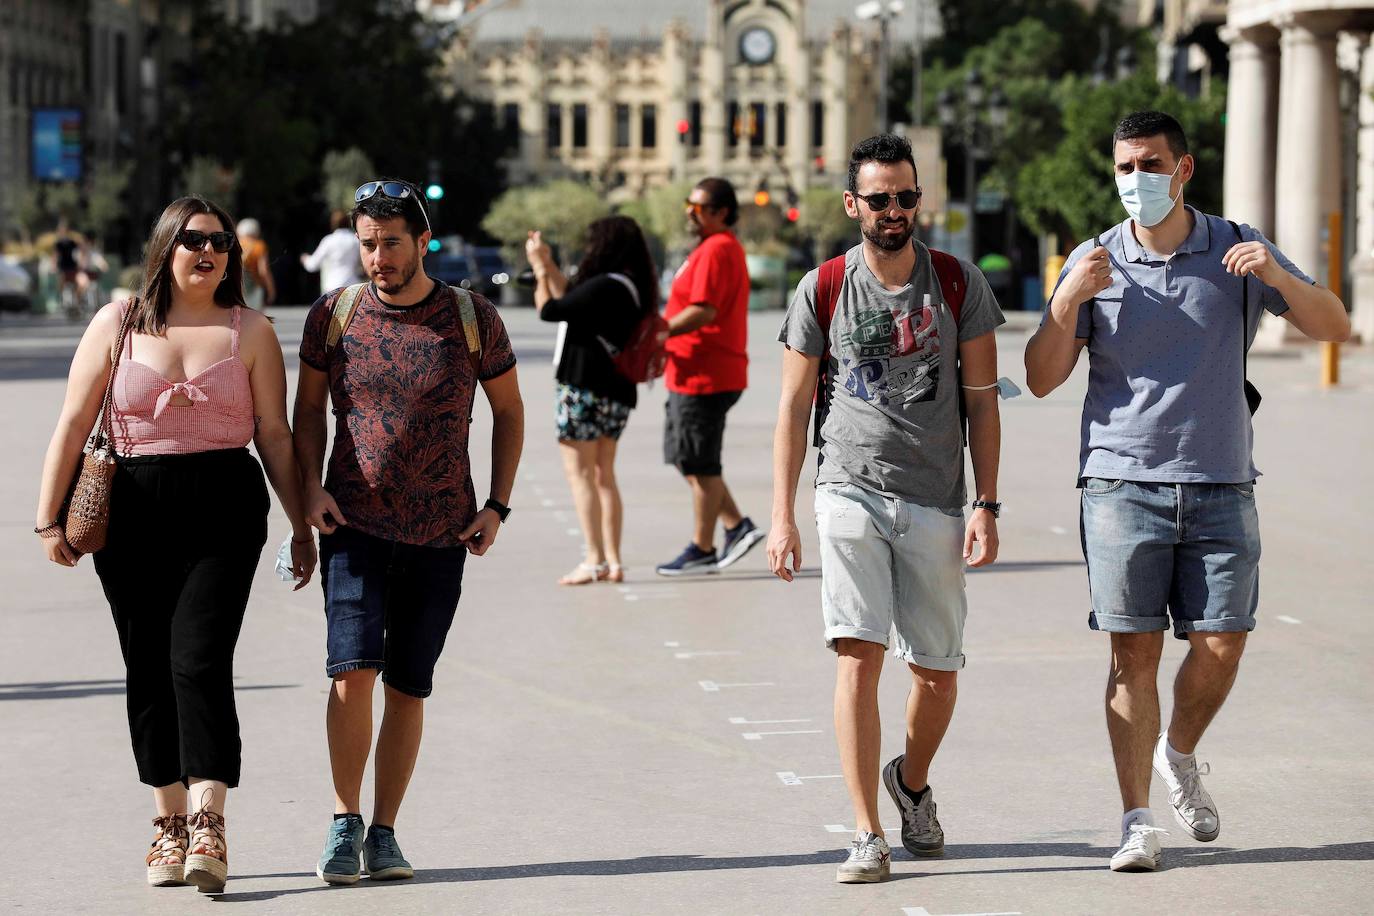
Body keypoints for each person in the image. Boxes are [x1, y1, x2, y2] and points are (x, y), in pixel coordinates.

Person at [1024, 111, 1350, 873]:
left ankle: (1181, 749)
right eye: (1123, 167)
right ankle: (1137, 821)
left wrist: (1275, 274)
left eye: (1149, 164)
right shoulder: (1093, 258)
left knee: (1224, 643)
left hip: (1221, 481)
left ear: (1184, 169)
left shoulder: (1235, 246)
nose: (1135, 179)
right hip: (1119, 484)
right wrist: (1068, 297)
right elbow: (1040, 378)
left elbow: (1333, 326)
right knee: (1131, 656)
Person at [34, 196, 317, 894]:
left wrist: (302, 522)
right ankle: (167, 821)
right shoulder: (118, 321)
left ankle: (209, 820)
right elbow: (73, 422)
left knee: (199, 657)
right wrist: (49, 520)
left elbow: (275, 436)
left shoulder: (248, 331)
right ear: (166, 246)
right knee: (147, 665)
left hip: (224, 503)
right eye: (194, 240)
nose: (209, 252)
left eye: (220, 241)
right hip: (129, 506)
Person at [768, 134, 1005, 884]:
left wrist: (986, 503)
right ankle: (867, 831)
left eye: (906, 197)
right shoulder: (825, 285)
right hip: (847, 487)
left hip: (935, 496)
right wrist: (782, 516)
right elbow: (794, 403)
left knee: (937, 673)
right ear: (854, 205)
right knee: (857, 656)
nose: (895, 210)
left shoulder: (957, 284)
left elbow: (982, 403)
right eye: (880, 199)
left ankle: (908, 781)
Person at [293, 178, 524, 885]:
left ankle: (386, 830)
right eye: (368, 244)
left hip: (440, 529)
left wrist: (497, 504)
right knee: (350, 673)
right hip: (354, 522)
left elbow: (510, 413)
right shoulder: (335, 315)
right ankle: (344, 819)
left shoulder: (471, 317)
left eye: (392, 243)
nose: (379, 257)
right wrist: (306, 490)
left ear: (424, 243)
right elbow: (306, 412)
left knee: (408, 686)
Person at [525, 216, 657, 584]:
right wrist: (548, 263)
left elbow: (550, 309)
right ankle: (612, 560)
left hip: (581, 388)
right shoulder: (630, 286)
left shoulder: (602, 286)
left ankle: (594, 559)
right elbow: (570, 295)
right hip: (617, 393)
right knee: (604, 475)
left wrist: (538, 269)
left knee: (580, 474)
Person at [656, 176, 764, 576]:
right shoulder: (708, 248)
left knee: (701, 464)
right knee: (689, 460)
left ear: (720, 212)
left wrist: (658, 332)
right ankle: (737, 526)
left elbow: (704, 310)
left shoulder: (718, 248)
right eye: (689, 204)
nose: (690, 211)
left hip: (707, 374)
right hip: (691, 373)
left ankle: (703, 548)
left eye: (698, 206)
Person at [301, 209, 365, 295]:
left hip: (332, 288)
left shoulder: (328, 241)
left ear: (333, 224)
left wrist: (305, 258)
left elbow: (312, 265)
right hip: (353, 286)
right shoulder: (355, 240)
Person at [236, 218, 276, 311]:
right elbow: (263, 270)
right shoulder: (259, 246)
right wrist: (271, 289)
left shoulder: (235, 244)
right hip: (255, 286)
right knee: (254, 318)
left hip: (237, 286)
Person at [53, 219, 86, 317]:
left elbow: (82, 250)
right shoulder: (58, 243)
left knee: (80, 283)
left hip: (73, 268)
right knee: (61, 282)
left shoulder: (72, 242)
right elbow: (55, 255)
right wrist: (54, 266)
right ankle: (62, 300)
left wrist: (81, 262)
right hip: (63, 269)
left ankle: (77, 302)